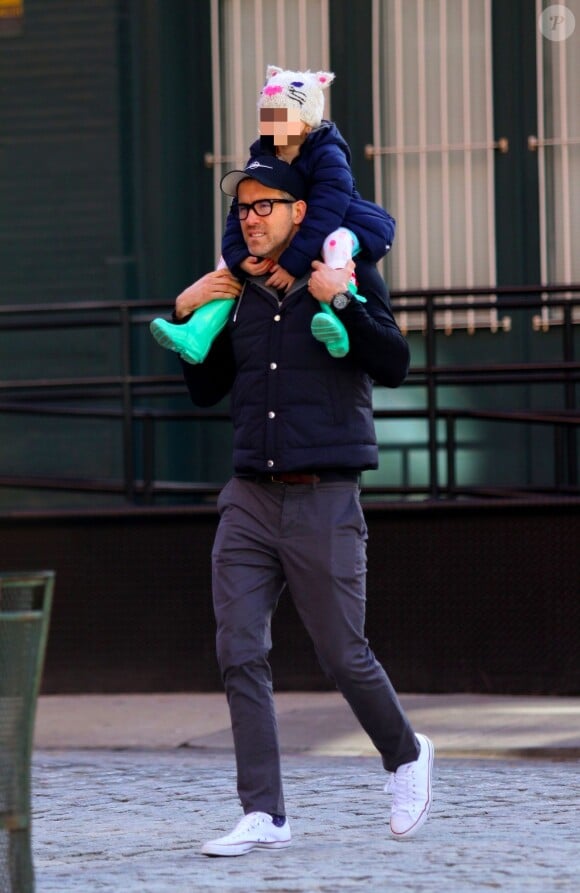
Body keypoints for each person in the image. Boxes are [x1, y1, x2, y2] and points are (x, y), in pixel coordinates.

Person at [173, 155, 433, 857]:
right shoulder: (241, 290)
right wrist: (189, 308)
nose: (250, 218)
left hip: (325, 495)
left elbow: (395, 363)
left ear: (298, 211)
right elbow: (206, 391)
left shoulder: (343, 271)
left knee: (343, 654)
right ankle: (264, 811)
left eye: (265, 205)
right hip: (249, 498)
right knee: (238, 649)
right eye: (244, 208)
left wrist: (341, 300)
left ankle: (406, 753)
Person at [150, 65, 395, 363]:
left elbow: (327, 209)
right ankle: (198, 331)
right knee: (225, 264)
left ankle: (337, 318)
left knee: (336, 244)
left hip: (347, 220)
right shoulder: (263, 153)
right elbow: (238, 212)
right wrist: (238, 258)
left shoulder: (328, 154)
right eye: (268, 115)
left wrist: (293, 264)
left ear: (305, 123)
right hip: (307, 230)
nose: (272, 124)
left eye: (282, 116)